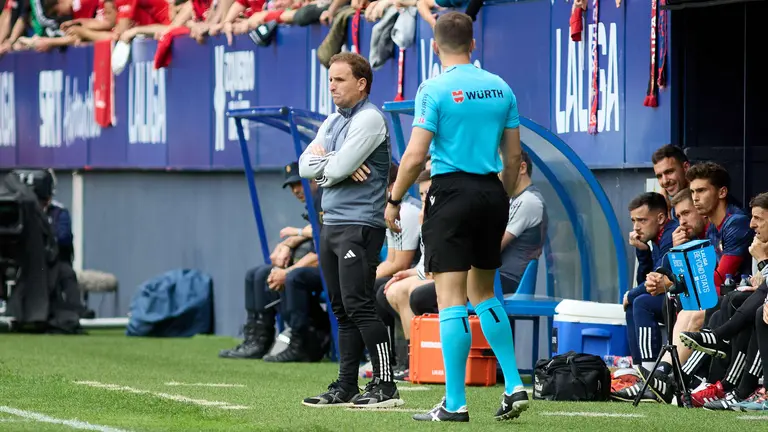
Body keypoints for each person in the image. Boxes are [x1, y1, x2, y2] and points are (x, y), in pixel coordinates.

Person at [384, 11, 527, 422]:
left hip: (450, 193)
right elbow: (514, 157)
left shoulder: (433, 88)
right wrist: (499, 194)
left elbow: (415, 156)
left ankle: (455, 403)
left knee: (451, 300)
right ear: (473, 44)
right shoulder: (501, 87)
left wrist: (394, 198)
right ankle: (514, 383)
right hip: (492, 192)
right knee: (483, 294)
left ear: (434, 46)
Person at [298, 52, 403, 409]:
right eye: (330, 79)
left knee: (359, 306)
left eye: (339, 80)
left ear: (361, 84)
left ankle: (386, 385)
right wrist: (335, 163)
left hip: (360, 225)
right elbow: (305, 165)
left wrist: (332, 164)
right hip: (331, 224)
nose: (332, 86)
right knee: (342, 309)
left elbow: (337, 167)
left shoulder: (370, 118)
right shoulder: (332, 121)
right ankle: (345, 385)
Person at [220, 162, 327, 362]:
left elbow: (323, 243)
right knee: (257, 274)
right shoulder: (313, 203)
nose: (296, 190)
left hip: (334, 266)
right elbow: (314, 232)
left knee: (293, 277)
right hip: (317, 263)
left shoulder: (325, 198)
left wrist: (286, 270)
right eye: (292, 186)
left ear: (313, 180)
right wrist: (287, 243)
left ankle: (303, 342)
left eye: (299, 184)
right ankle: (258, 338)